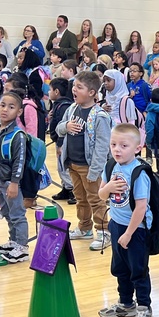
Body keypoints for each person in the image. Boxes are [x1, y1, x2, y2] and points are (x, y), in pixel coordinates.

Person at [96, 124, 154, 317]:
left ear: (137, 148)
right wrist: (108, 188)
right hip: (116, 224)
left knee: (138, 269)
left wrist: (129, 233)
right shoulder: (111, 166)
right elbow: (101, 195)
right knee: (120, 267)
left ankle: (144, 307)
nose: (117, 149)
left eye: (123, 145)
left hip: (136, 229)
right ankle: (126, 303)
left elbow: (141, 208)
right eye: (113, 144)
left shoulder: (139, 173)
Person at [56, 71, 112, 250]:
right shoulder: (72, 109)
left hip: (89, 167)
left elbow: (102, 147)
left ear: (92, 93)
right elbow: (58, 129)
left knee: (96, 199)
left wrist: (95, 170)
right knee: (81, 198)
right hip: (73, 164)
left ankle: (104, 232)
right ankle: (85, 227)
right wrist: (66, 126)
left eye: (79, 87)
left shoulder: (100, 116)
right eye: (74, 86)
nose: (74, 89)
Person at [0, 91, 29, 264]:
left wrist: (14, 183)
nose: (5, 110)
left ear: (19, 111)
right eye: (2, 105)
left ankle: (22, 247)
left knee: (17, 214)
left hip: (10, 181)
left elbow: (19, 161)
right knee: (7, 213)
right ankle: (13, 241)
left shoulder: (18, 135)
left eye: (11, 107)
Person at [46, 78, 75, 203]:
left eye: (50, 90)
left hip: (62, 142)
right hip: (58, 140)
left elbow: (63, 127)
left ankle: (72, 190)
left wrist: (60, 143)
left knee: (64, 167)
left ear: (56, 91)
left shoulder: (64, 106)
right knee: (60, 167)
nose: (48, 92)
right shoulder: (58, 105)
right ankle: (66, 188)